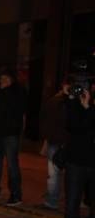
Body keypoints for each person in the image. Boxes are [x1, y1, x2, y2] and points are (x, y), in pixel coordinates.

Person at [56, 84, 95, 218]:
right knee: (72, 202)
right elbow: (72, 126)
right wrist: (70, 99)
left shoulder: (88, 105)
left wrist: (87, 108)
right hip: (75, 161)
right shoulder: (75, 103)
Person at [0, 68, 27, 206]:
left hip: (10, 134)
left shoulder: (17, 92)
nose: (1, 81)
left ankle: (16, 194)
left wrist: (1, 91)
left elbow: (18, 111)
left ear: (10, 80)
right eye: (0, 79)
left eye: (4, 79)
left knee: (12, 164)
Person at [39, 81, 70, 210]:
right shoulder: (55, 102)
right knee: (55, 173)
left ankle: (53, 200)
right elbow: (46, 120)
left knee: (56, 173)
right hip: (58, 141)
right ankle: (53, 200)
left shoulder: (55, 101)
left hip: (62, 142)